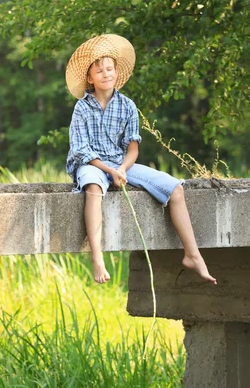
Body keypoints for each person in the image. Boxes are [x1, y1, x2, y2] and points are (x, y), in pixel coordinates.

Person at [66, 34, 217, 285]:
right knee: (93, 187)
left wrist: (122, 169)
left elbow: (132, 149)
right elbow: (81, 150)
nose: (106, 74)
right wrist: (109, 171)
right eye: (99, 70)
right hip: (91, 165)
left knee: (175, 189)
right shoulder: (82, 107)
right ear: (90, 78)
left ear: (117, 72)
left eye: (110, 69)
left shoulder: (127, 106)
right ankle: (97, 257)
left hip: (120, 163)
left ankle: (193, 254)